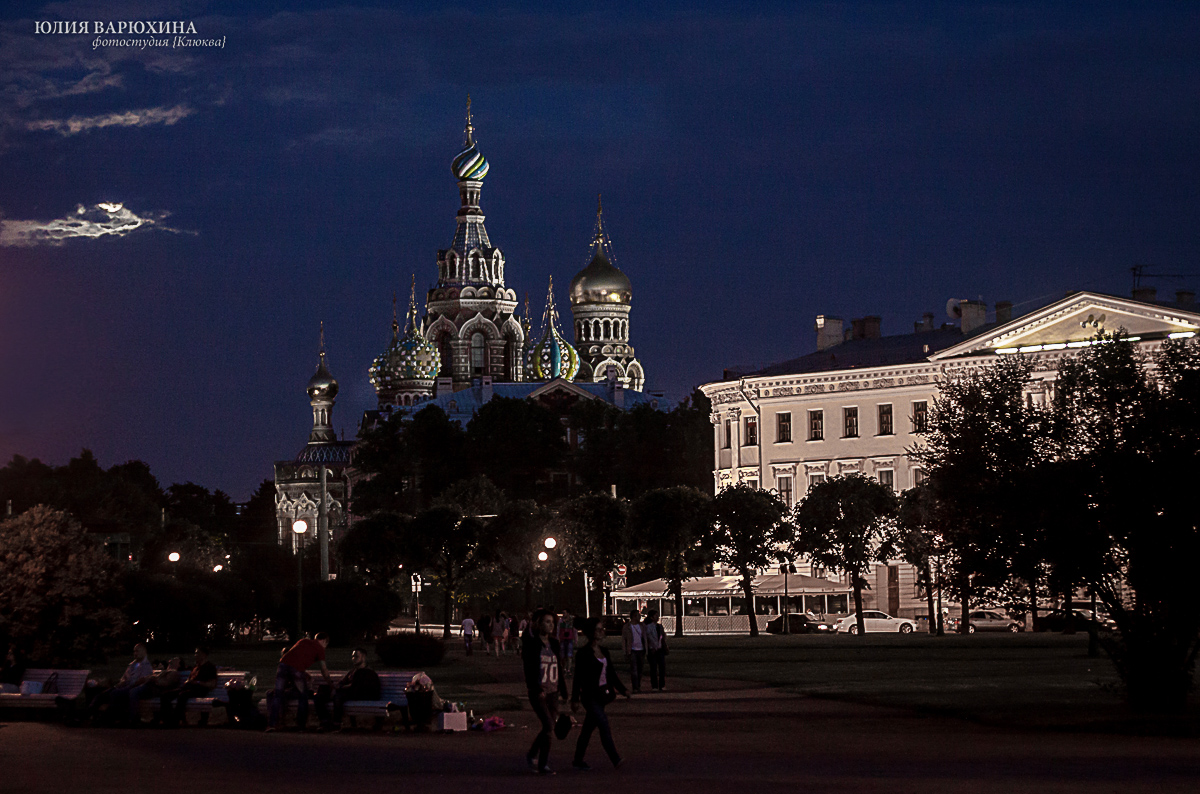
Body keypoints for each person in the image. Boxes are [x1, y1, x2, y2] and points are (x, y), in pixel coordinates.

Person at [570, 617, 629, 770]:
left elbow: (611, 674)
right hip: (590, 697)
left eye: (602, 629)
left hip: (602, 695)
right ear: (591, 632)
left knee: (588, 729)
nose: (602, 631)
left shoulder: (604, 652)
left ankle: (577, 760)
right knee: (603, 724)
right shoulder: (583, 653)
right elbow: (578, 677)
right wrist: (574, 699)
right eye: (599, 629)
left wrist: (623, 690)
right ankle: (615, 758)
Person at [522, 609, 568, 774]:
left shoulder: (554, 644)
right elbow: (528, 669)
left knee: (549, 726)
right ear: (539, 624)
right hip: (539, 691)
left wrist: (564, 692)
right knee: (549, 725)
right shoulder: (532, 644)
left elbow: (559, 669)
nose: (550, 625)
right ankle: (543, 764)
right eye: (547, 622)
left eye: (552, 622)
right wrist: (535, 687)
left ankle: (532, 754)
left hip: (553, 691)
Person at [267, 632, 332, 731]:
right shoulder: (320, 648)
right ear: (323, 641)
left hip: (283, 664)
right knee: (303, 695)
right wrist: (329, 682)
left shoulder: (303, 641)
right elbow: (323, 669)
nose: (325, 647)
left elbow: (295, 656)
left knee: (277, 694)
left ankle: (272, 724)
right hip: (297, 669)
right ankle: (301, 725)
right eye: (326, 644)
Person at [315, 647, 381, 731]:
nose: (354, 659)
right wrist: (335, 687)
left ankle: (336, 724)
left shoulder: (368, 672)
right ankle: (325, 721)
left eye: (356, 656)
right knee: (319, 697)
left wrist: (339, 689)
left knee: (338, 697)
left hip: (362, 695)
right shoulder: (353, 671)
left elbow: (356, 686)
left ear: (363, 657)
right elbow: (343, 682)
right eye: (353, 656)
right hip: (350, 693)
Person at [90, 643, 153, 725]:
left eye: (137, 651)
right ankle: (90, 714)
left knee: (114, 693)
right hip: (124, 686)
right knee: (101, 695)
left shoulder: (146, 666)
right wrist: (118, 684)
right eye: (134, 651)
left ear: (143, 652)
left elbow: (141, 682)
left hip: (132, 688)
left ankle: (107, 718)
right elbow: (124, 679)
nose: (135, 653)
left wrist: (124, 685)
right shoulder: (132, 665)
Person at [161, 646, 218, 727]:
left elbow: (212, 684)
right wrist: (188, 682)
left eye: (197, 653)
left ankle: (174, 721)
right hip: (188, 689)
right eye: (195, 653)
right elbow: (189, 679)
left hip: (200, 690)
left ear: (204, 655)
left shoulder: (210, 667)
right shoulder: (196, 668)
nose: (195, 655)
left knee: (182, 695)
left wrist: (197, 682)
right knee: (165, 695)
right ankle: (167, 720)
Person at [128, 657, 182, 725]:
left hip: (153, 689)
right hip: (148, 686)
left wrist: (154, 679)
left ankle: (133, 719)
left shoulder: (174, 673)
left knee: (134, 692)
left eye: (175, 660)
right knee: (129, 691)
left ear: (179, 665)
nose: (171, 660)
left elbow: (166, 683)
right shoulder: (166, 671)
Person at [621, 608, 645, 693]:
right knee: (634, 669)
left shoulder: (642, 626)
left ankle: (638, 685)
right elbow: (624, 639)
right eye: (638, 615)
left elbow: (644, 637)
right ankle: (635, 687)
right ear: (634, 616)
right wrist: (625, 651)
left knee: (640, 669)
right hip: (633, 650)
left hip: (641, 649)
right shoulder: (627, 627)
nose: (639, 617)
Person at [643, 609, 667, 692]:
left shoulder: (659, 626)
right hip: (652, 649)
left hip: (659, 649)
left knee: (661, 668)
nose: (658, 617)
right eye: (656, 615)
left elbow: (662, 636)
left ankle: (661, 684)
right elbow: (648, 638)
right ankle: (655, 685)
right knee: (653, 668)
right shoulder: (648, 627)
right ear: (652, 617)